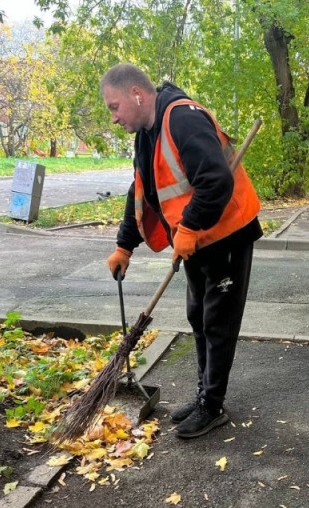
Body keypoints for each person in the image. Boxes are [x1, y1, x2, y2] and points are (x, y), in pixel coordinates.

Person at [100, 63, 262, 439]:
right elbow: (140, 190)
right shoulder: (147, 133)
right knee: (198, 316)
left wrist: (188, 227)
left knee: (217, 323)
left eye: (114, 107)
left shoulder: (182, 119)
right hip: (194, 242)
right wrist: (125, 245)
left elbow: (215, 180)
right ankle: (205, 394)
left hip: (226, 235)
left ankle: (212, 406)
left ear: (136, 95)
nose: (113, 118)